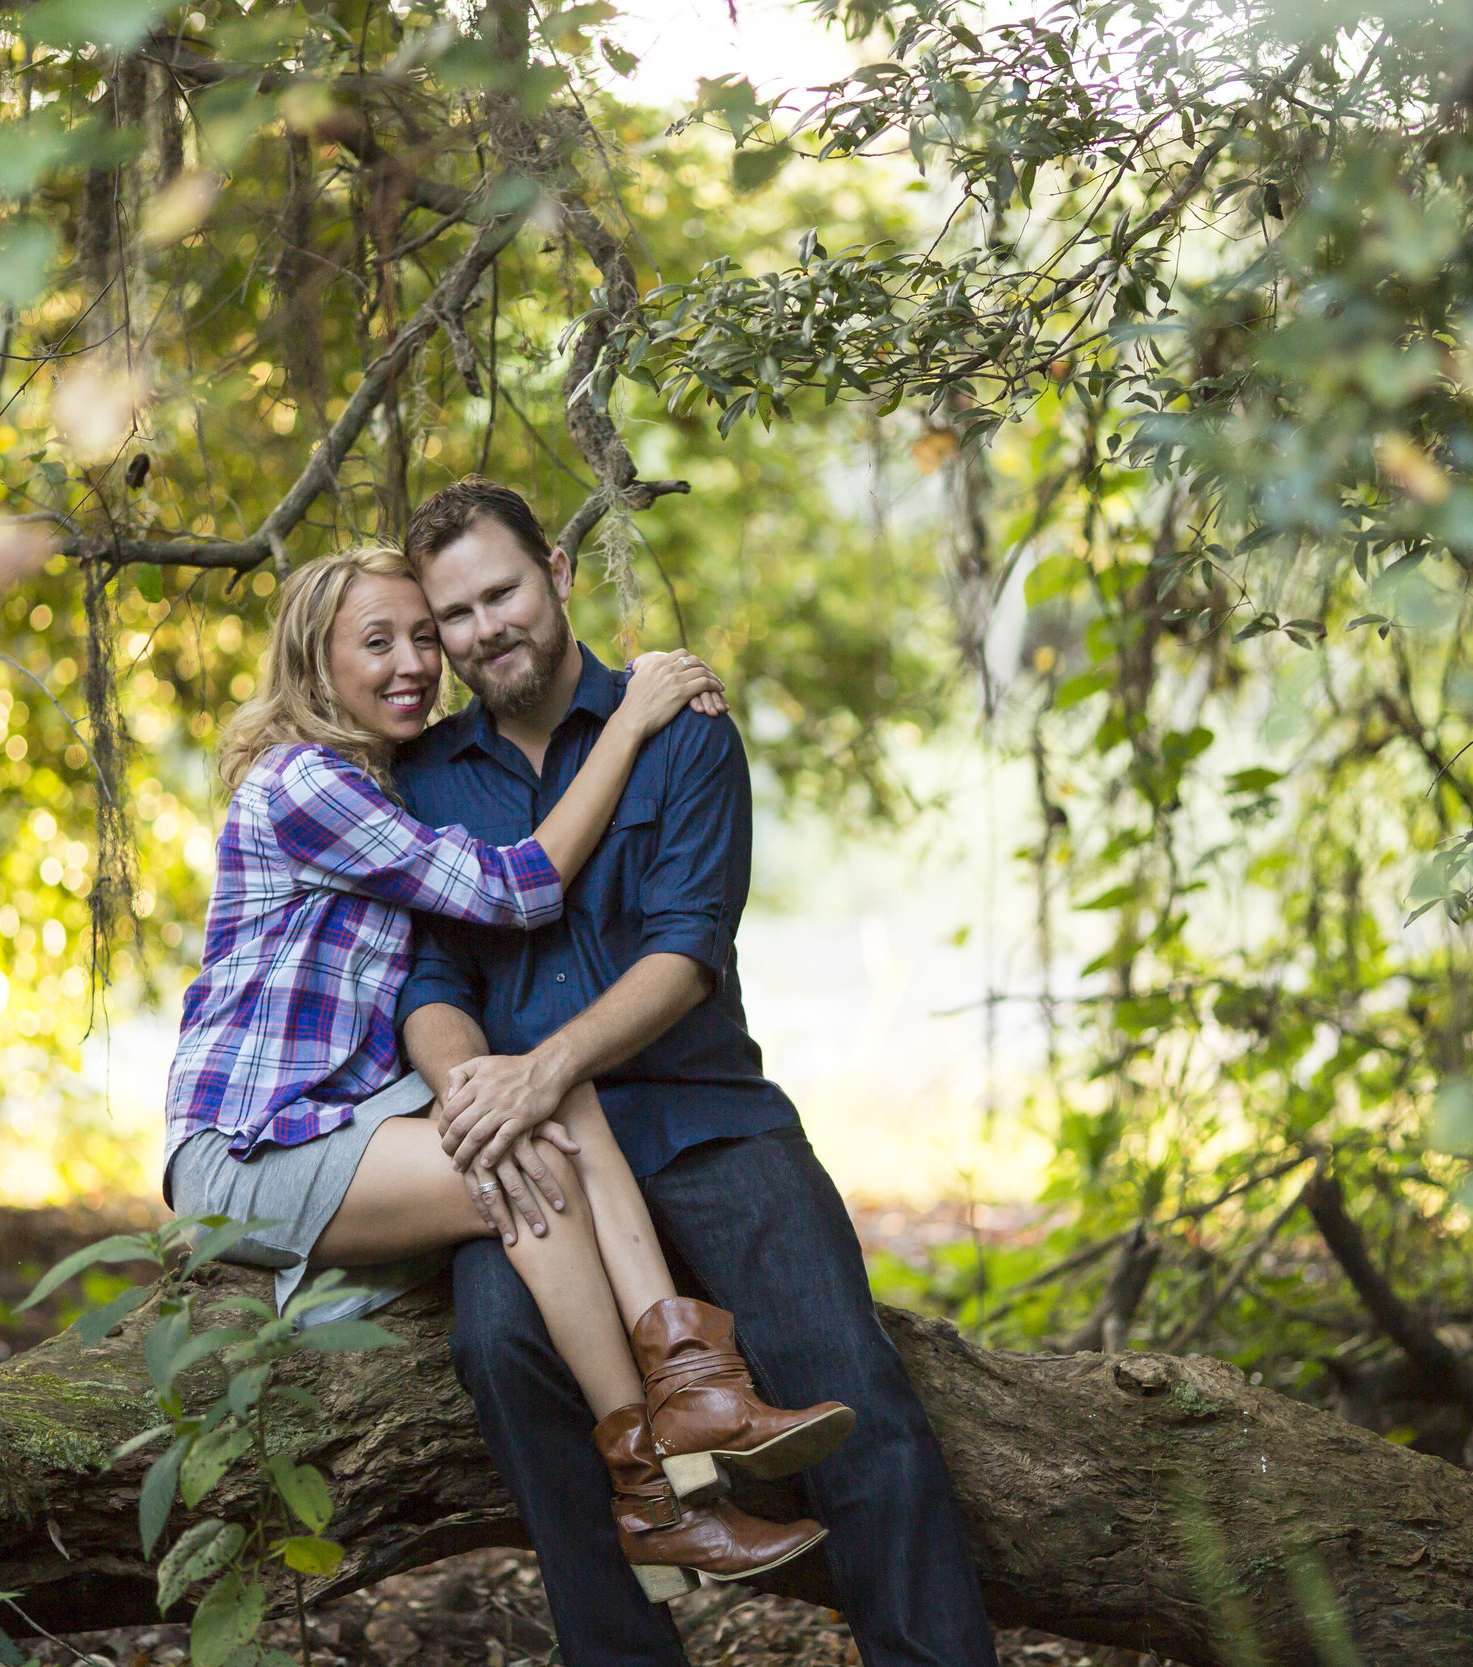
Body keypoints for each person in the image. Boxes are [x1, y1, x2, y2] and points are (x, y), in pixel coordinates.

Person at [162, 544, 855, 1599]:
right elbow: (513, 888)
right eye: (376, 642)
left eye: (421, 636)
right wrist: (627, 724)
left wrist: (496, 1077)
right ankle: (656, 1487)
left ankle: (692, 1380)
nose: (413, 663)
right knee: (521, 1163)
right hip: (248, 1145)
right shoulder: (306, 782)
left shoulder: (375, 781)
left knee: (540, 1081)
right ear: (315, 662)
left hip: (336, 1119)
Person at [392, 479, 1000, 1666]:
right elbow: (425, 981)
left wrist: (543, 1068)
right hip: (540, 1147)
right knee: (501, 1351)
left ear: (557, 575)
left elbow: (684, 954)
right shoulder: (423, 778)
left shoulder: (684, 726)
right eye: (453, 614)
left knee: (850, 1392)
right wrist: (478, 1092)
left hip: (704, 1118)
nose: (483, 629)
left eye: (500, 592)